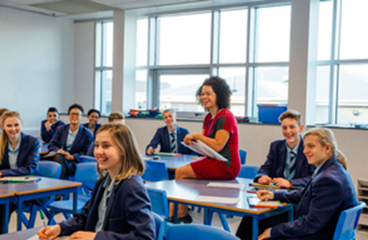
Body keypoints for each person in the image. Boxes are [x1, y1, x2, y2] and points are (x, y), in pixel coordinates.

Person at [37, 123, 155, 240]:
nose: (98, 151)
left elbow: (145, 237)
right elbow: (85, 217)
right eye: (97, 145)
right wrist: (60, 228)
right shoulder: (103, 180)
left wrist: (96, 237)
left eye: (106, 146)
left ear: (124, 150)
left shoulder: (132, 187)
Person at [237, 128, 358, 240]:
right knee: (252, 222)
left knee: (260, 227)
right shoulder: (331, 169)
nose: (305, 151)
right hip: (325, 229)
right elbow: (305, 193)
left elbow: (310, 224)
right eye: (305, 146)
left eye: (311, 146)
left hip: (321, 234)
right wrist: (274, 195)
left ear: (327, 148)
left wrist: (272, 231)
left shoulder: (328, 179)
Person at [172, 76, 241, 223]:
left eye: (208, 93)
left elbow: (217, 145)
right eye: (202, 94)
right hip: (215, 160)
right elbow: (207, 146)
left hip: (227, 165)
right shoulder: (208, 117)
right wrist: (194, 143)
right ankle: (180, 213)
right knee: (182, 171)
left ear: (218, 95)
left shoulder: (225, 116)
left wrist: (197, 136)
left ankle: (180, 215)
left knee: (181, 172)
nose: (204, 97)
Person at [0, 111, 42, 233]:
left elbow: (29, 168)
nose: (13, 129)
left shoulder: (33, 142)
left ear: (21, 124)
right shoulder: (1, 144)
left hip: (29, 188)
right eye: (9, 126)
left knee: (4, 204)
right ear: (3, 126)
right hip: (7, 186)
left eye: (16, 125)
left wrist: (3, 173)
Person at [254, 110, 315, 188]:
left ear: (301, 128)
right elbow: (266, 167)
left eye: (292, 127)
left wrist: (290, 183)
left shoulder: (309, 148)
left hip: (300, 193)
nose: (288, 131)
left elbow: (313, 177)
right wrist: (262, 177)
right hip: (278, 191)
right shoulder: (276, 146)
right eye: (284, 128)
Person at [48, 104, 93, 179]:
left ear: (82, 117)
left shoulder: (88, 134)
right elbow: (51, 144)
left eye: (77, 114)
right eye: (72, 114)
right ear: (68, 116)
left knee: (57, 161)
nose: (74, 116)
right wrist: (59, 150)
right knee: (58, 157)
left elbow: (87, 152)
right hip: (60, 156)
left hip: (75, 162)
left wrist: (72, 157)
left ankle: (59, 185)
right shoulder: (61, 129)